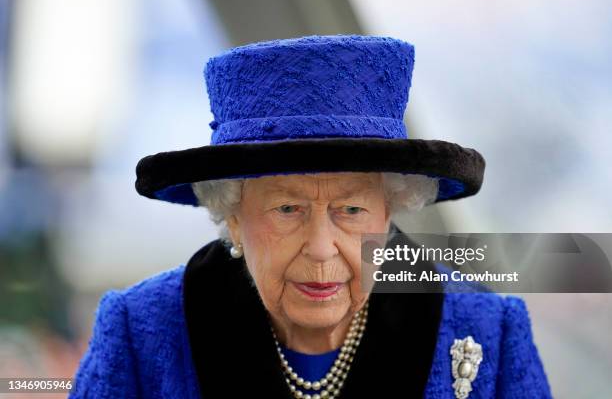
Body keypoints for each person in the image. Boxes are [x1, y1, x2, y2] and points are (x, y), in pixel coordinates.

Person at [70, 35, 552, 398]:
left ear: (390, 212)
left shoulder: (490, 329)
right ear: (232, 216)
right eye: (287, 209)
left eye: (351, 209)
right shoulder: (139, 329)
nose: (321, 247)